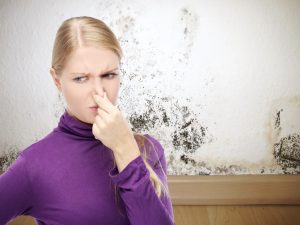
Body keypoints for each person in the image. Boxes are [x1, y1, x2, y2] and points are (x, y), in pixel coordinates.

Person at [0, 16, 175, 225]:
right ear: (57, 80)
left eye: (109, 75)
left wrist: (125, 149)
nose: (99, 92)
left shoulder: (148, 149)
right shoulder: (33, 166)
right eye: (81, 78)